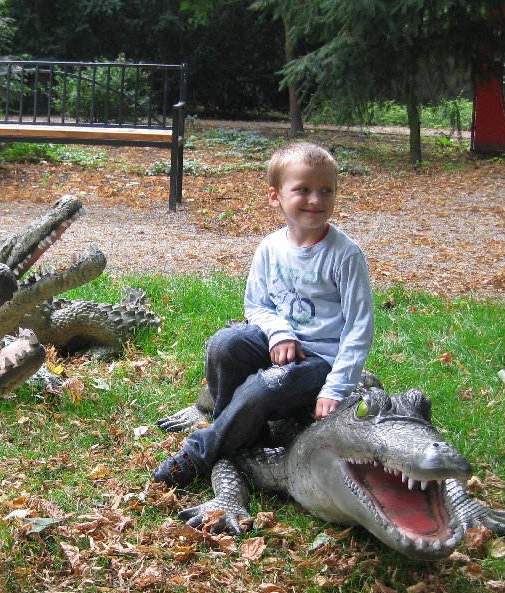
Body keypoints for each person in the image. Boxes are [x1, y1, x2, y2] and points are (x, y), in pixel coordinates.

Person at [153, 142, 374, 488]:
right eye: (303, 189)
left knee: (261, 387)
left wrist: (335, 389)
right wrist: (280, 333)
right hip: (281, 343)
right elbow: (257, 305)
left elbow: (359, 329)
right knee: (224, 344)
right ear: (275, 197)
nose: (316, 200)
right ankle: (241, 434)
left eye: (326, 190)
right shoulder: (270, 247)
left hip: (321, 360)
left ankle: (203, 451)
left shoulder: (345, 256)